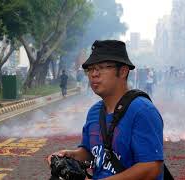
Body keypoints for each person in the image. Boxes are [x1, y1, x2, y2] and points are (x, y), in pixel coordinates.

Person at [47, 40, 164, 179]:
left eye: (101, 67)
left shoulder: (142, 111)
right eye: (90, 69)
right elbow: (92, 154)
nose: (94, 74)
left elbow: (151, 167)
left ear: (123, 71)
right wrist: (70, 155)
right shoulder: (94, 112)